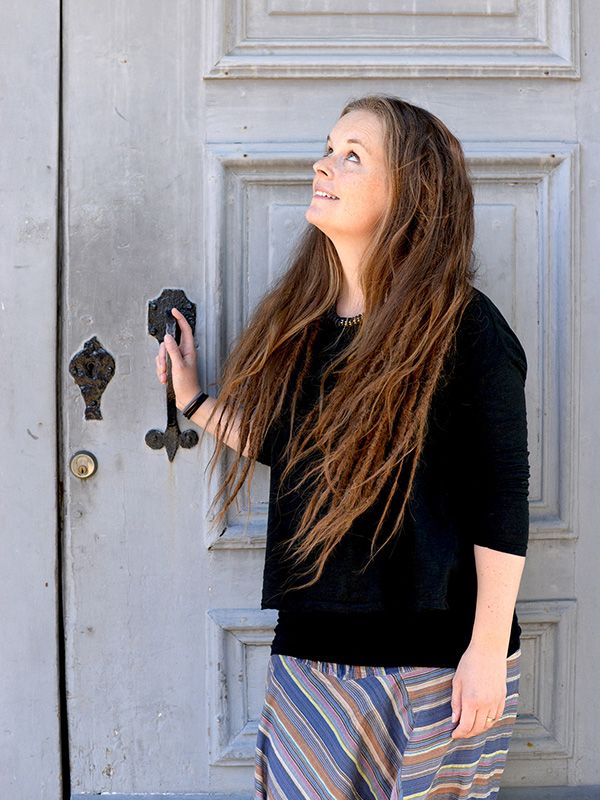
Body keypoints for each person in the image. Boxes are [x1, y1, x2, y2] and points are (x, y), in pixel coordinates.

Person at [156, 94, 529, 799]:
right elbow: (297, 451)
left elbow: (501, 497)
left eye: (351, 156)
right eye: (329, 148)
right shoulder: (307, 324)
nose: (322, 165)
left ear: (410, 192)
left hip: (435, 664)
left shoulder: (466, 326)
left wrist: (485, 650)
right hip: (313, 653)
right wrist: (196, 402)